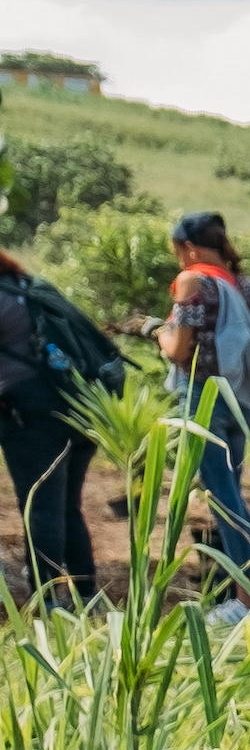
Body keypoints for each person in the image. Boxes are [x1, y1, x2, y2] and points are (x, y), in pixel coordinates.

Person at [153, 212, 250, 576]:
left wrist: (156, 331)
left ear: (188, 248)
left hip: (203, 398)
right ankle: (249, 587)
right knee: (230, 490)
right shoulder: (247, 287)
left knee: (223, 497)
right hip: (241, 399)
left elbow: (178, 350)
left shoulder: (192, 281)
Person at [0, 243, 115, 599]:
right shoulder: (26, 286)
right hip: (78, 405)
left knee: (41, 506)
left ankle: (50, 599)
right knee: (65, 506)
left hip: (31, 415)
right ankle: (84, 594)